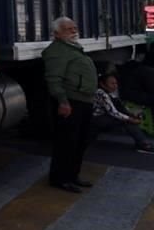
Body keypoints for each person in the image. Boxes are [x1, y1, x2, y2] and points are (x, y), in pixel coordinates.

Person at [43, 16, 98, 193]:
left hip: (84, 101)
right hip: (71, 102)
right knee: (67, 142)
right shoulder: (56, 51)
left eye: (74, 28)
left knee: (80, 141)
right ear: (57, 34)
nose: (74, 31)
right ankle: (60, 179)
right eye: (69, 29)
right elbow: (53, 79)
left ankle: (72, 176)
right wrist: (63, 102)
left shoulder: (73, 48)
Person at [92, 73, 154, 154]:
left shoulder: (111, 93)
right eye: (112, 83)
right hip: (97, 118)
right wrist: (130, 119)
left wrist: (131, 114)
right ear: (102, 84)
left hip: (106, 116)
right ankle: (143, 144)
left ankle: (143, 143)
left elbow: (120, 107)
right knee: (127, 121)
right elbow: (113, 111)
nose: (115, 86)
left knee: (128, 119)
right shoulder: (100, 93)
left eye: (116, 83)